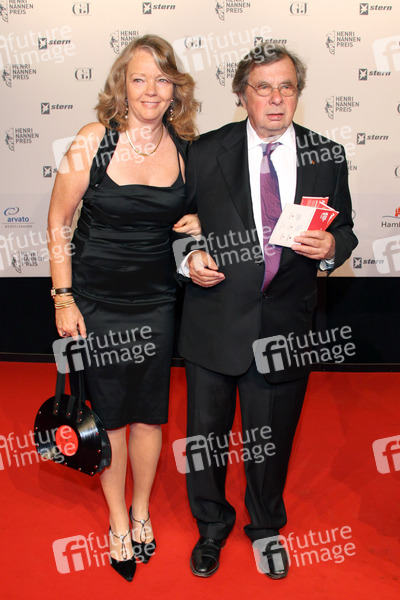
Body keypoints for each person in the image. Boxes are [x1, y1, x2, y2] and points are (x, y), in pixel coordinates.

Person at [178, 42, 358, 579]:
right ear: (242, 95)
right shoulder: (204, 151)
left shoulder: (327, 154)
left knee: (272, 440)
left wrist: (334, 247)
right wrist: (188, 257)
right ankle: (211, 527)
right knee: (206, 440)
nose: (276, 98)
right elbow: (173, 225)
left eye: (287, 87)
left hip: (286, 327)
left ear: (298, 94)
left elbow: (345, 228)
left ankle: (265, 528)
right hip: (214, 319)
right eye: (263, 87)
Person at [47, 34, 200, 582]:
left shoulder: (186, 150)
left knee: (150, 416)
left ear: (175, 89)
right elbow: (59, 221)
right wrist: (63, 296)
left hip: (157, 302)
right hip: (96, 301)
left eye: (162, 79)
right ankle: (116, 519)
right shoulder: (94, 139)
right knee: (110, 417)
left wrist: (199, 223)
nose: (151, 90)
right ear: (123, 86)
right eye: (140, 79)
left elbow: (201, 214)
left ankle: (141, 511)